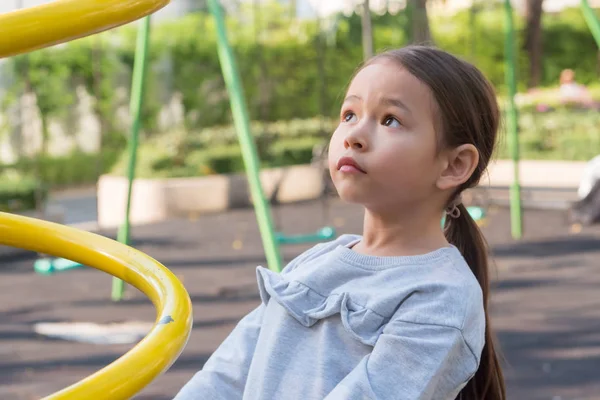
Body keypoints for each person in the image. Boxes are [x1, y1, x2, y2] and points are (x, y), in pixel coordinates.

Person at [174, 45, 506, 400]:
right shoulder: (316, 262)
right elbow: (227, 373)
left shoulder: (441, 295)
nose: (353, 135)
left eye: (389, 119)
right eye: (349, 114)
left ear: (454, 166)